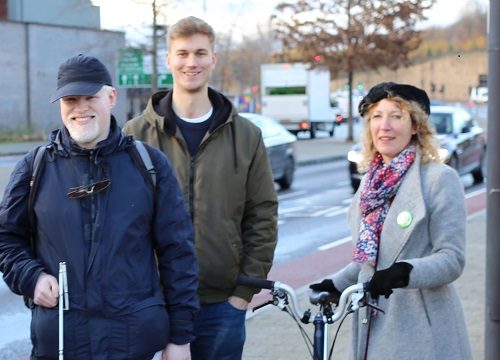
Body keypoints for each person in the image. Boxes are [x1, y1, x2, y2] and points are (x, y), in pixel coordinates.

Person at [0, 54, 199, 360]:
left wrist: (181, 338)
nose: (80, 108)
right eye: (70, 100)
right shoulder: (34, 168)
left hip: (136, 345)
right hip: (62, 344)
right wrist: (32, 277)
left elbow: (178, 252)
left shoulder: (149, 165)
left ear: (111, 98)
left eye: (90, 97)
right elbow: (6, 238)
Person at [123, 16, 278, 360]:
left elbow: (262, 215)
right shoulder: (134, 135)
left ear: (213, 59)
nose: (191, 62)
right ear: (168, 60)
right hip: (152, 303)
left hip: (222, 305)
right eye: (182, 53)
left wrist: (243, 292)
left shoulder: (247, 136)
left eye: (199, 53)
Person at [310, 82, 473, 359]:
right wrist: (335, 284)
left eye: (396, 116)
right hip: (371, 325)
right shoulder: (369, 185)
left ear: (415, 126)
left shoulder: (439, 179)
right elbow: (371, 261)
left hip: (422, 328)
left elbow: (452, 259)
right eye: (377, 116)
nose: (384, 125)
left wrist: (404, 271)